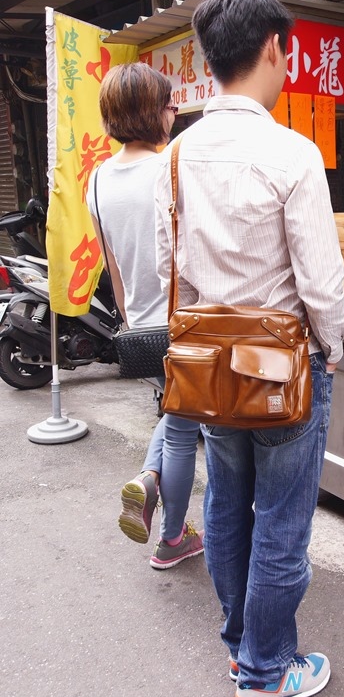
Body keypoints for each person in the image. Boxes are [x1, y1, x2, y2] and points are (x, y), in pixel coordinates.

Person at [154, 0, 344, 697]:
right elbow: (321, 283)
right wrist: (332, 346)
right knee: (282, 522)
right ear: (273, 48)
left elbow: (171, 263)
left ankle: (242, 644)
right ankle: (266, 672)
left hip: (207, 365)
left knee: (229, 506)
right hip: (283, 369)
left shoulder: (177, 153)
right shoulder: (292, 153)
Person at [86, 62, 204, 570]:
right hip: (186, 323)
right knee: (181, 430)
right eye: (169, 103)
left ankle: (149, 483)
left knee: (174, 414)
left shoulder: (97, 180)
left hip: (141, 328)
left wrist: (134, 318)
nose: (175, 112)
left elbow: (112, 263)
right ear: (150, 112)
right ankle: (173, 538)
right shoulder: (172, 166)